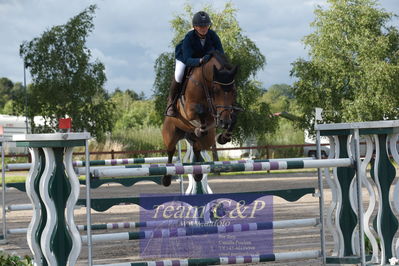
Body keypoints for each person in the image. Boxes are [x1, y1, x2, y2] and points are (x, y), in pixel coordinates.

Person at [165, 11, 225, 117]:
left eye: (206, 25)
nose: (204, 28)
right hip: (185, 57)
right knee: (179, 75)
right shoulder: (189, 37)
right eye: (200, 26)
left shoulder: (213, 35)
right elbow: (188, 59)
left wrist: (210, 58)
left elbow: (220, 52)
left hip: (205, 58)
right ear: (195, 27)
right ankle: (171, 103)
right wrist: (200, 61)